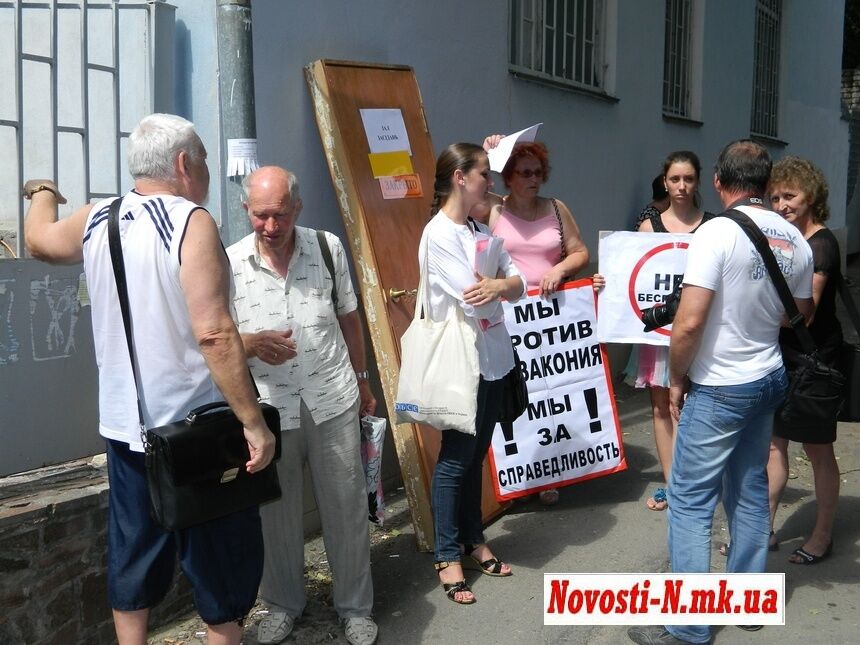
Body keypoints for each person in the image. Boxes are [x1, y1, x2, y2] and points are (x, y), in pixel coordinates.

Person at [23, 113, 276, 645]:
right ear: (184, 164)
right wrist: (253, 422)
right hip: (194, 431)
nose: (206, 171)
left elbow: (40, 242)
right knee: (220, 570)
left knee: (133, 556)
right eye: (203, 159)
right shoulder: (192, 220)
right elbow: (212, 333)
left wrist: (42, 189)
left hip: (126, 429)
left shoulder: (99, 218)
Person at [628, 140, 814, 645]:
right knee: (750, 488)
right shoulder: (794, 238)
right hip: (767, 375)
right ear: (766, 183)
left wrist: (674, 378)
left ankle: (688, 625)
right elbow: (803, 312)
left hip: (722, 384)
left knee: (690, 502)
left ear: (718, 182)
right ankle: (749, 601)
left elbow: (688, 323)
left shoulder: (716, 233)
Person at [227, 166, 378, 645]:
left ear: (297, 207)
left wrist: (362, 378)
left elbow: (349, 317)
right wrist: (249, 343)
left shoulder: (327, 248)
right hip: (269, 409)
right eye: (260, 216)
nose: (270, 227)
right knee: (277, 514)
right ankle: (282, 604)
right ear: (247, 211)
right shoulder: (229, 263)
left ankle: (355, 608)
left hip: (332, 398)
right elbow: (215, 338)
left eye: (279, 215)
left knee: (346, 510)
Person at [423, 143, 525, 604]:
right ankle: (447, 554)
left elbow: (518, 281)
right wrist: (498, 285)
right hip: (461, 361)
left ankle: (472, 538)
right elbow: (470, 296)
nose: (492, 180)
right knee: (455, 457)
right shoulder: (439, 234)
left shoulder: (478, 228)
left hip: (493, 356)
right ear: (460, 177)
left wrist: (501, 284)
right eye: (485, 172)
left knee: (477, 452)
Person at [595, 151, 712, 512]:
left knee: (695, 407)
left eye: (688, 179)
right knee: (661, 406)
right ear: (665, 181)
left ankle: (695, 483)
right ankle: (671, 484)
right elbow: (633, 275)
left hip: (698, 333)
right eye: (675, 179)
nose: (681, 186)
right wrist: (605, 282)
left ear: (698, 181)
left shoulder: (712, 227)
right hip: (657, 336)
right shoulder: (649, 227)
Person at [477, 137, 589, 505]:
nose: (533, 179)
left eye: (538, 172)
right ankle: (517, 470)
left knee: (552, 392)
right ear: (508, 176)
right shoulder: (493, 209)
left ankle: (553, 469)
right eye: (524, 172)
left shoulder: (556, 208)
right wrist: (489, 151)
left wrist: (559, 267)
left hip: (551, 315)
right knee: (513, 391)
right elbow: (457, 194)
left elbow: (580, 252)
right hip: (507, 317)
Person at [766, 157, 842, 565]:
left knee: (817, 450)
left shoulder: (820, 244)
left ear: (811, 196)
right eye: (775, 196)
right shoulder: (788, 240)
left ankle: (823, 534)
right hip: (784, 356)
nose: (781, 204)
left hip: (815, 361)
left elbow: (803, 314)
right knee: (774, 446)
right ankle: (765, 529)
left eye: (790, 195)